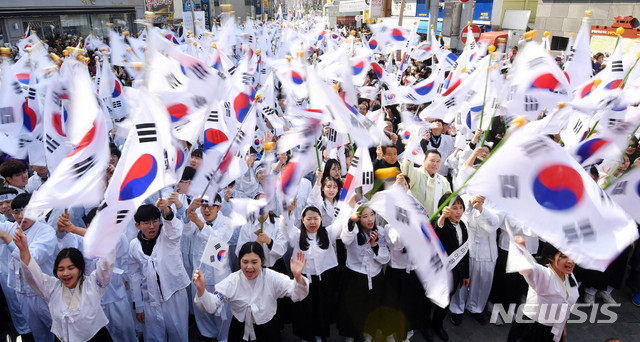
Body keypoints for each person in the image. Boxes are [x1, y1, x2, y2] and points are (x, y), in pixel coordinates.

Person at [13, 227, 115, 342]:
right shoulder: (52, 287)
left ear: (80, 269)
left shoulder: (93, 284)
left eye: (71, 268)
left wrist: (74, 229)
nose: (65, 273)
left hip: (95, 337)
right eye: (60, 269)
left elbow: (107, 261)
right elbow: (31, 274)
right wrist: (24, 249)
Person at [193, 242, 309, 342]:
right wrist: (201, 290)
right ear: (240, 262)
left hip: (268, 328)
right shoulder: (233, 279)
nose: (249, 267)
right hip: (239, 329)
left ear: (262, 261)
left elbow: (295, 292)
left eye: (254, 262)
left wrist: (298, 277)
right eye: (245, 262)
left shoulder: (271, 277)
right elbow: (212, 304)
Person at [128, 199, 191, 342]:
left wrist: (167, 211)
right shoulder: (134, 245)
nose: (152, 226)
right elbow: (134, 276)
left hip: (173, 294)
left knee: (179, 335)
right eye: (146, 223)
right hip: (150, 300)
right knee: (154, 337)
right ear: (137, 225)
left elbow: (175, 229)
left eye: (155, 221)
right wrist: (138, 306)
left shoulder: (168, 236)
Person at [0, 193, 56, 342]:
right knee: (38, 334)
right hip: (23, 294)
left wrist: (7, 239)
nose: (20, 216)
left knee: (57, 331)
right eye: (16, 212)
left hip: (44, 293)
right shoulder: (12, 228)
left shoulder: (46, 231)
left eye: (26, 210)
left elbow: (32, 258)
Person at [280, 206, 342, 341]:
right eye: (309, 219)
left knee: (321, 308)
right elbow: (286, 227)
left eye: (316, 218)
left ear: (321, 219)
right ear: (302, 220)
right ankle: (305, 336)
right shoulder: (297, 235)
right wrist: (288, 212)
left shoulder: (327, 233)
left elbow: (340, 222)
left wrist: (349, 205)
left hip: (323, 279)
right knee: (304, 310)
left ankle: (320, 334)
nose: (312, 222)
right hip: (303, 279)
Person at [507, 238, 579, 342]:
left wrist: (563, 328)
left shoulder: (569, 275)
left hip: (553, 331)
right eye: (564, 257)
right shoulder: (544, 275)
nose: (570, 261)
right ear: (551, 258)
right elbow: (527, 268)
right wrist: (522, 248)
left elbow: (566, 305)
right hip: (531, 331)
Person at [185, 194, 235, 342]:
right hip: (200, 273)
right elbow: (186, 232)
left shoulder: (226, 222)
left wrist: (199, 222)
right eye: (203, 206)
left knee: (222, 311)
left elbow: (217, 240)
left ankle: (223, 337)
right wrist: (189, 215)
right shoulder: (197, 218)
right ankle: (208, 335)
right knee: (202, 310)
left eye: (210, 206)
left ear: (218, 207)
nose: (206, 210)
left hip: (219, 274)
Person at [338, 202, 390, 342]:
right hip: (354, 277)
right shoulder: (353, 231)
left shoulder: (381, 231)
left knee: (371, 309)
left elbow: (385, 258)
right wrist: (350, 222)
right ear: (358, 218)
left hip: (375, 277)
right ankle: (350, 336)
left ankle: (368, 334)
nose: (370, 219)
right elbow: (345, 239)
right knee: (353, 310)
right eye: (365, 216)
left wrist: (374, 245)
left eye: (372, 214)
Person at [430, 193, 470, 342]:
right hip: (439, 272)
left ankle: (437, 324)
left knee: (445, 301)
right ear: (445, 209)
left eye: (461, 208)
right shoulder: (440, 223)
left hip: (456, 274)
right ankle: (424, 324)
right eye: (454, 208)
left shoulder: (463, 225)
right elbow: (435, 233)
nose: (459, 212)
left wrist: (466, 275)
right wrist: (441, 218)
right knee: (430, 300)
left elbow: (466, 252)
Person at [401, 150, 452, 216]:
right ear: (424, 160)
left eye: (438, 161)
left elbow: (449, 202)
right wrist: (410, 153)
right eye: (432, 161)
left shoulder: (443, 181)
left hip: (435, 221)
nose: (435, 164)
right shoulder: (416, 173)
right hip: (415, 218)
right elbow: (407, 170)